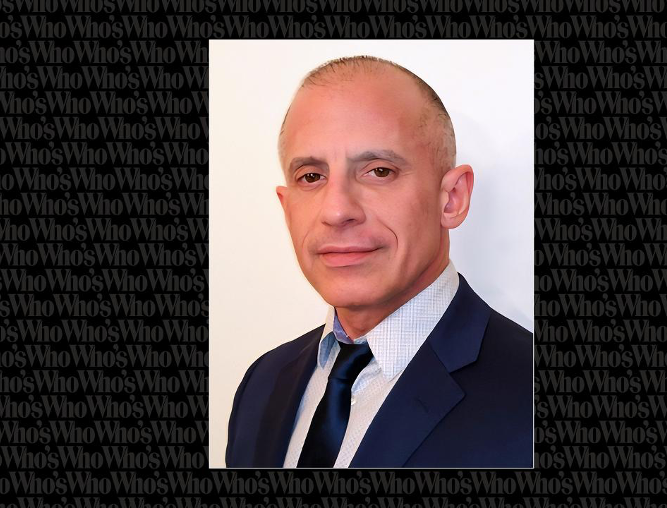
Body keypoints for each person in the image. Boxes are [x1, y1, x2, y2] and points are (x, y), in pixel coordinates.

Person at [226, 55, 533, 468]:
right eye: (311, 177)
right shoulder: (261, 383)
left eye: (379, 171)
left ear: (452, 198)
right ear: (287, 207)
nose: (336, 211)